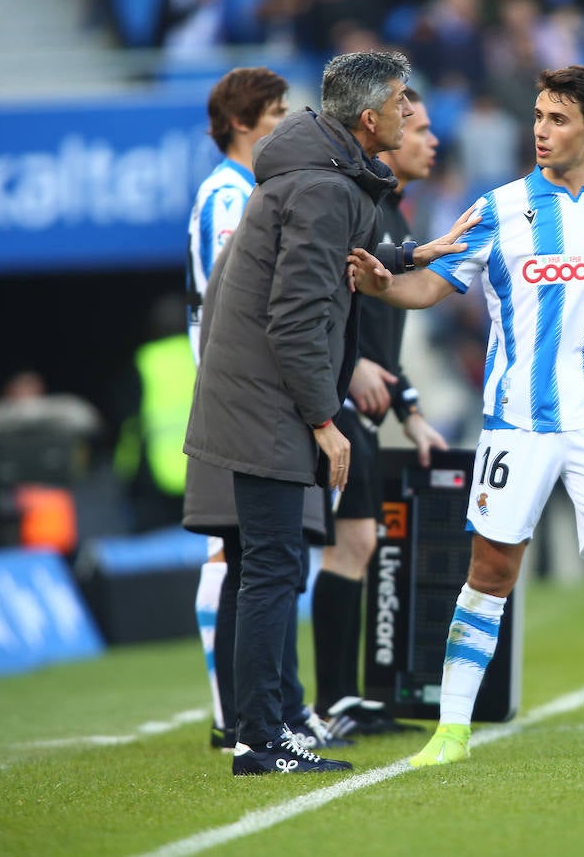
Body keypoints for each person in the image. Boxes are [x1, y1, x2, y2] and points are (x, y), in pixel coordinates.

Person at [348, 65, 584, 766]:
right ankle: (451, 731)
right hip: (517, 422)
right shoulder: (500, 208)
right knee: (490, 574)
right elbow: (431, 287)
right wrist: (381, 286)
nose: (541, 131)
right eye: (539, 117)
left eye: (557, 119)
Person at [183, 50, 477, 776]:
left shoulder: (325, 176)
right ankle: (260, 738)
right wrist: (325, 419)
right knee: (270, 566)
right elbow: (293, 320)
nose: (412, 113)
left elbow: (343, 264)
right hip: (266, 400)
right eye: (403, 101)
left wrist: (416, 255)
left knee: (269, 564)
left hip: (260, 394)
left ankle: (271, 725)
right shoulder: (322, 186)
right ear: (369, 119)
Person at [179, 67, 340, 756]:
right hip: (244, 399)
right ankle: (249, 722)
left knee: (261, 561)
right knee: (250, 561)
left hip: (244, 396)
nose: (285, 122)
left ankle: (271, 716)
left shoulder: (246, 189)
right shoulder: (231, 196)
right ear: (243, 122)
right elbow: (240, 300)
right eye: (275, 112)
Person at [309, 88, 444, 738]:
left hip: (359, 403)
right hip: (331, 403)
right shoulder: (358, 205)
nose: (431, 141)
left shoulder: (393, 213)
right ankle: (330, 702)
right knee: (349, 544)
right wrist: (350, 365)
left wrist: (409, 409)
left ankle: (345, 697)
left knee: (358, 543)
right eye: (418, 129)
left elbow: (381, 341)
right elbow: (325, 297)